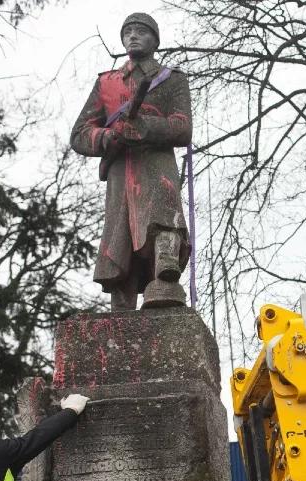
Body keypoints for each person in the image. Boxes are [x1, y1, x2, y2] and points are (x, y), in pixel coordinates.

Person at [70, 12, 193, 310]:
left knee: (164, 215)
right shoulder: (107, 83)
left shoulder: (172, 80)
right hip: (121, 172)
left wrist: (146, 128)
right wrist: (107, 137)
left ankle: (165, 280)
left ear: (155, 40)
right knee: (121, 236)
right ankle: (121, 307)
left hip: (157, 164)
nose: (134, 36)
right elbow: (79, 134)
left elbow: (183, 127)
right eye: (129, 32)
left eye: (141, 31)